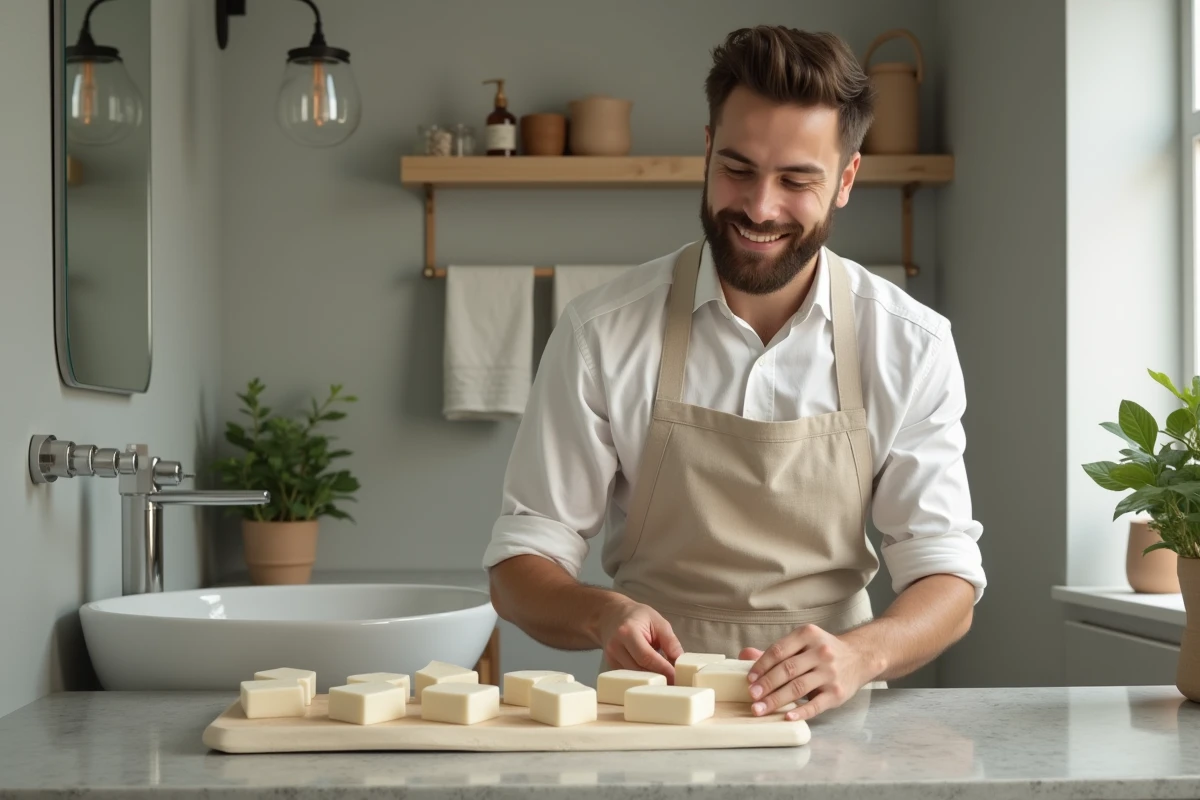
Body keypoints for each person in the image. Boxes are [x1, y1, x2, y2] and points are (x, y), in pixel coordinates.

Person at [482, 25, 985, 722]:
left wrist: (860, 655)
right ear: (708, 148)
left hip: (835, 729)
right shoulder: (602, 333)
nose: (759, 207)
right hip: (648, 719)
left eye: (797, 180)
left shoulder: (909, 345)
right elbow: (518, 569)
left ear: (845, 181)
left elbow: (946, 575)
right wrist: (603, 615)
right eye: (738, 168)